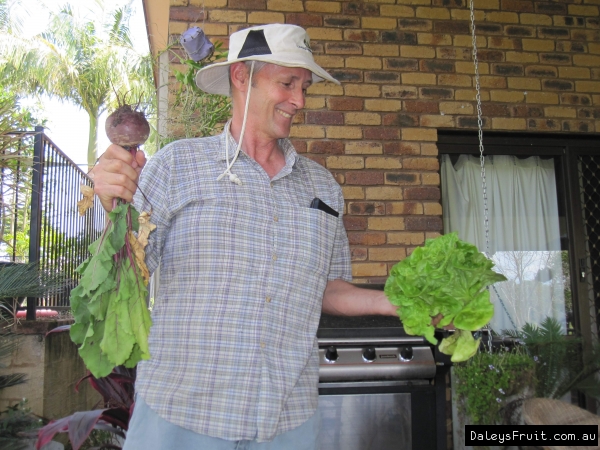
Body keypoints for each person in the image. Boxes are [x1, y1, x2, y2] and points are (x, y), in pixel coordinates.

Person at [90, 23, 434, 449]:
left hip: (286, 421)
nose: (300, 100)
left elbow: (326, 287)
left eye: (305, 86)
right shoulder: (176, 166)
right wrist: (113, 209)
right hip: (180, 417)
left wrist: (395, 302)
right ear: (241, 77)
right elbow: (127, 272)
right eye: (287, 83)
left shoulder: (322, 188)